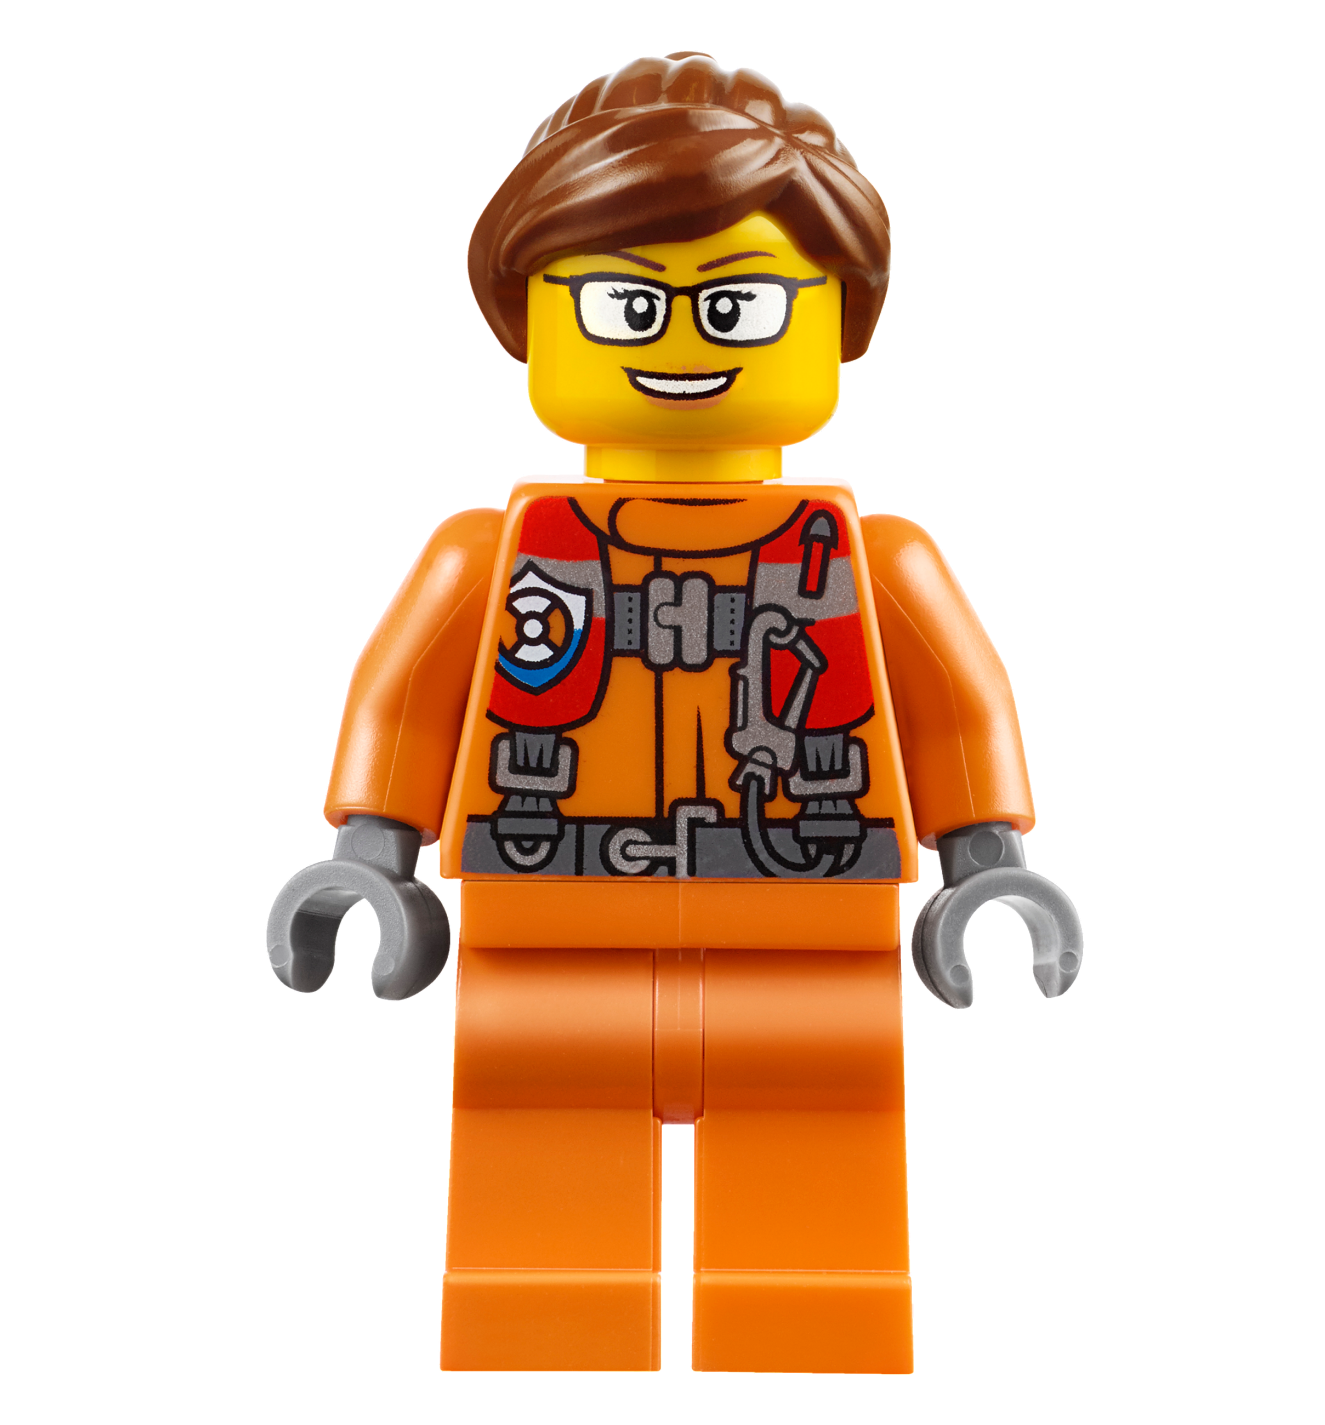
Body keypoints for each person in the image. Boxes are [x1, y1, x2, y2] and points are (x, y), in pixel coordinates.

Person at [266, 52, 1081, 1374]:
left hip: (813, 934)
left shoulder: (877, 559)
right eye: (627, 305)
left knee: (821, 1153)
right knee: (535, 1160)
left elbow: (956, 707)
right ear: (532, 317)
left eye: (739, 303)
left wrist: (987, 867)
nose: (685, 345)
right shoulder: (488, 553)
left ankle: (812, 1323)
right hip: (544, 932)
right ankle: (544, 1327)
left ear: (837, 319)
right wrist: (371, 858)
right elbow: (403, 693)